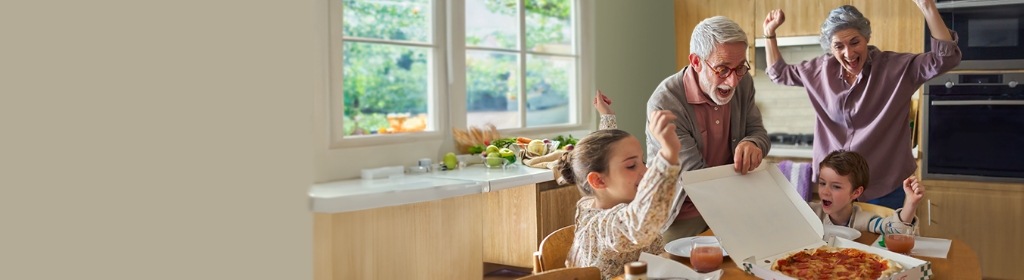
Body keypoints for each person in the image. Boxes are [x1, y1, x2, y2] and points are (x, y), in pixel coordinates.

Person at [762, 1, 961, 209]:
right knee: (835, 242)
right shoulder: (820, 70)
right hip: (835, 186)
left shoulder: (896, 69)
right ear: (830, 48)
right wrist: (769, 33)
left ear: (866, 38)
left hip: (883, 184)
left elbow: (944, 58)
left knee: (884, 240)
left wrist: (928, 7)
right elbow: (778, 73)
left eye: (855, 42)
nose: (848, 53)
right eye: (839, 46)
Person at [639, 16, 771, 242]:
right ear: (696, 62)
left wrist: (753, 143)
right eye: (722, 69)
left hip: (727, 204)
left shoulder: (743, 82)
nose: (732, 82)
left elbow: (758, 132)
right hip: (680, 214)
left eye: (740, 67)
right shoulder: (666, 102)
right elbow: (694, 176)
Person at [561, 93, 684, 280]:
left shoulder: (606, 194)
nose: (646, 170)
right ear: (599, 181)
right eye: (631, 166)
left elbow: (605, 154)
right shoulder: (600, 225)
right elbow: (640, 225)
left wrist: (607, 117)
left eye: (642, 161)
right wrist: (667, 156)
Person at [811, 150, 923, 234]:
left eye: (836, 186)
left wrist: (911, 203)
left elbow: (897, 230)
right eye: (822, 183)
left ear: (856, 192)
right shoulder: (809, 212)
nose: (825, 192)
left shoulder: (865, 221)